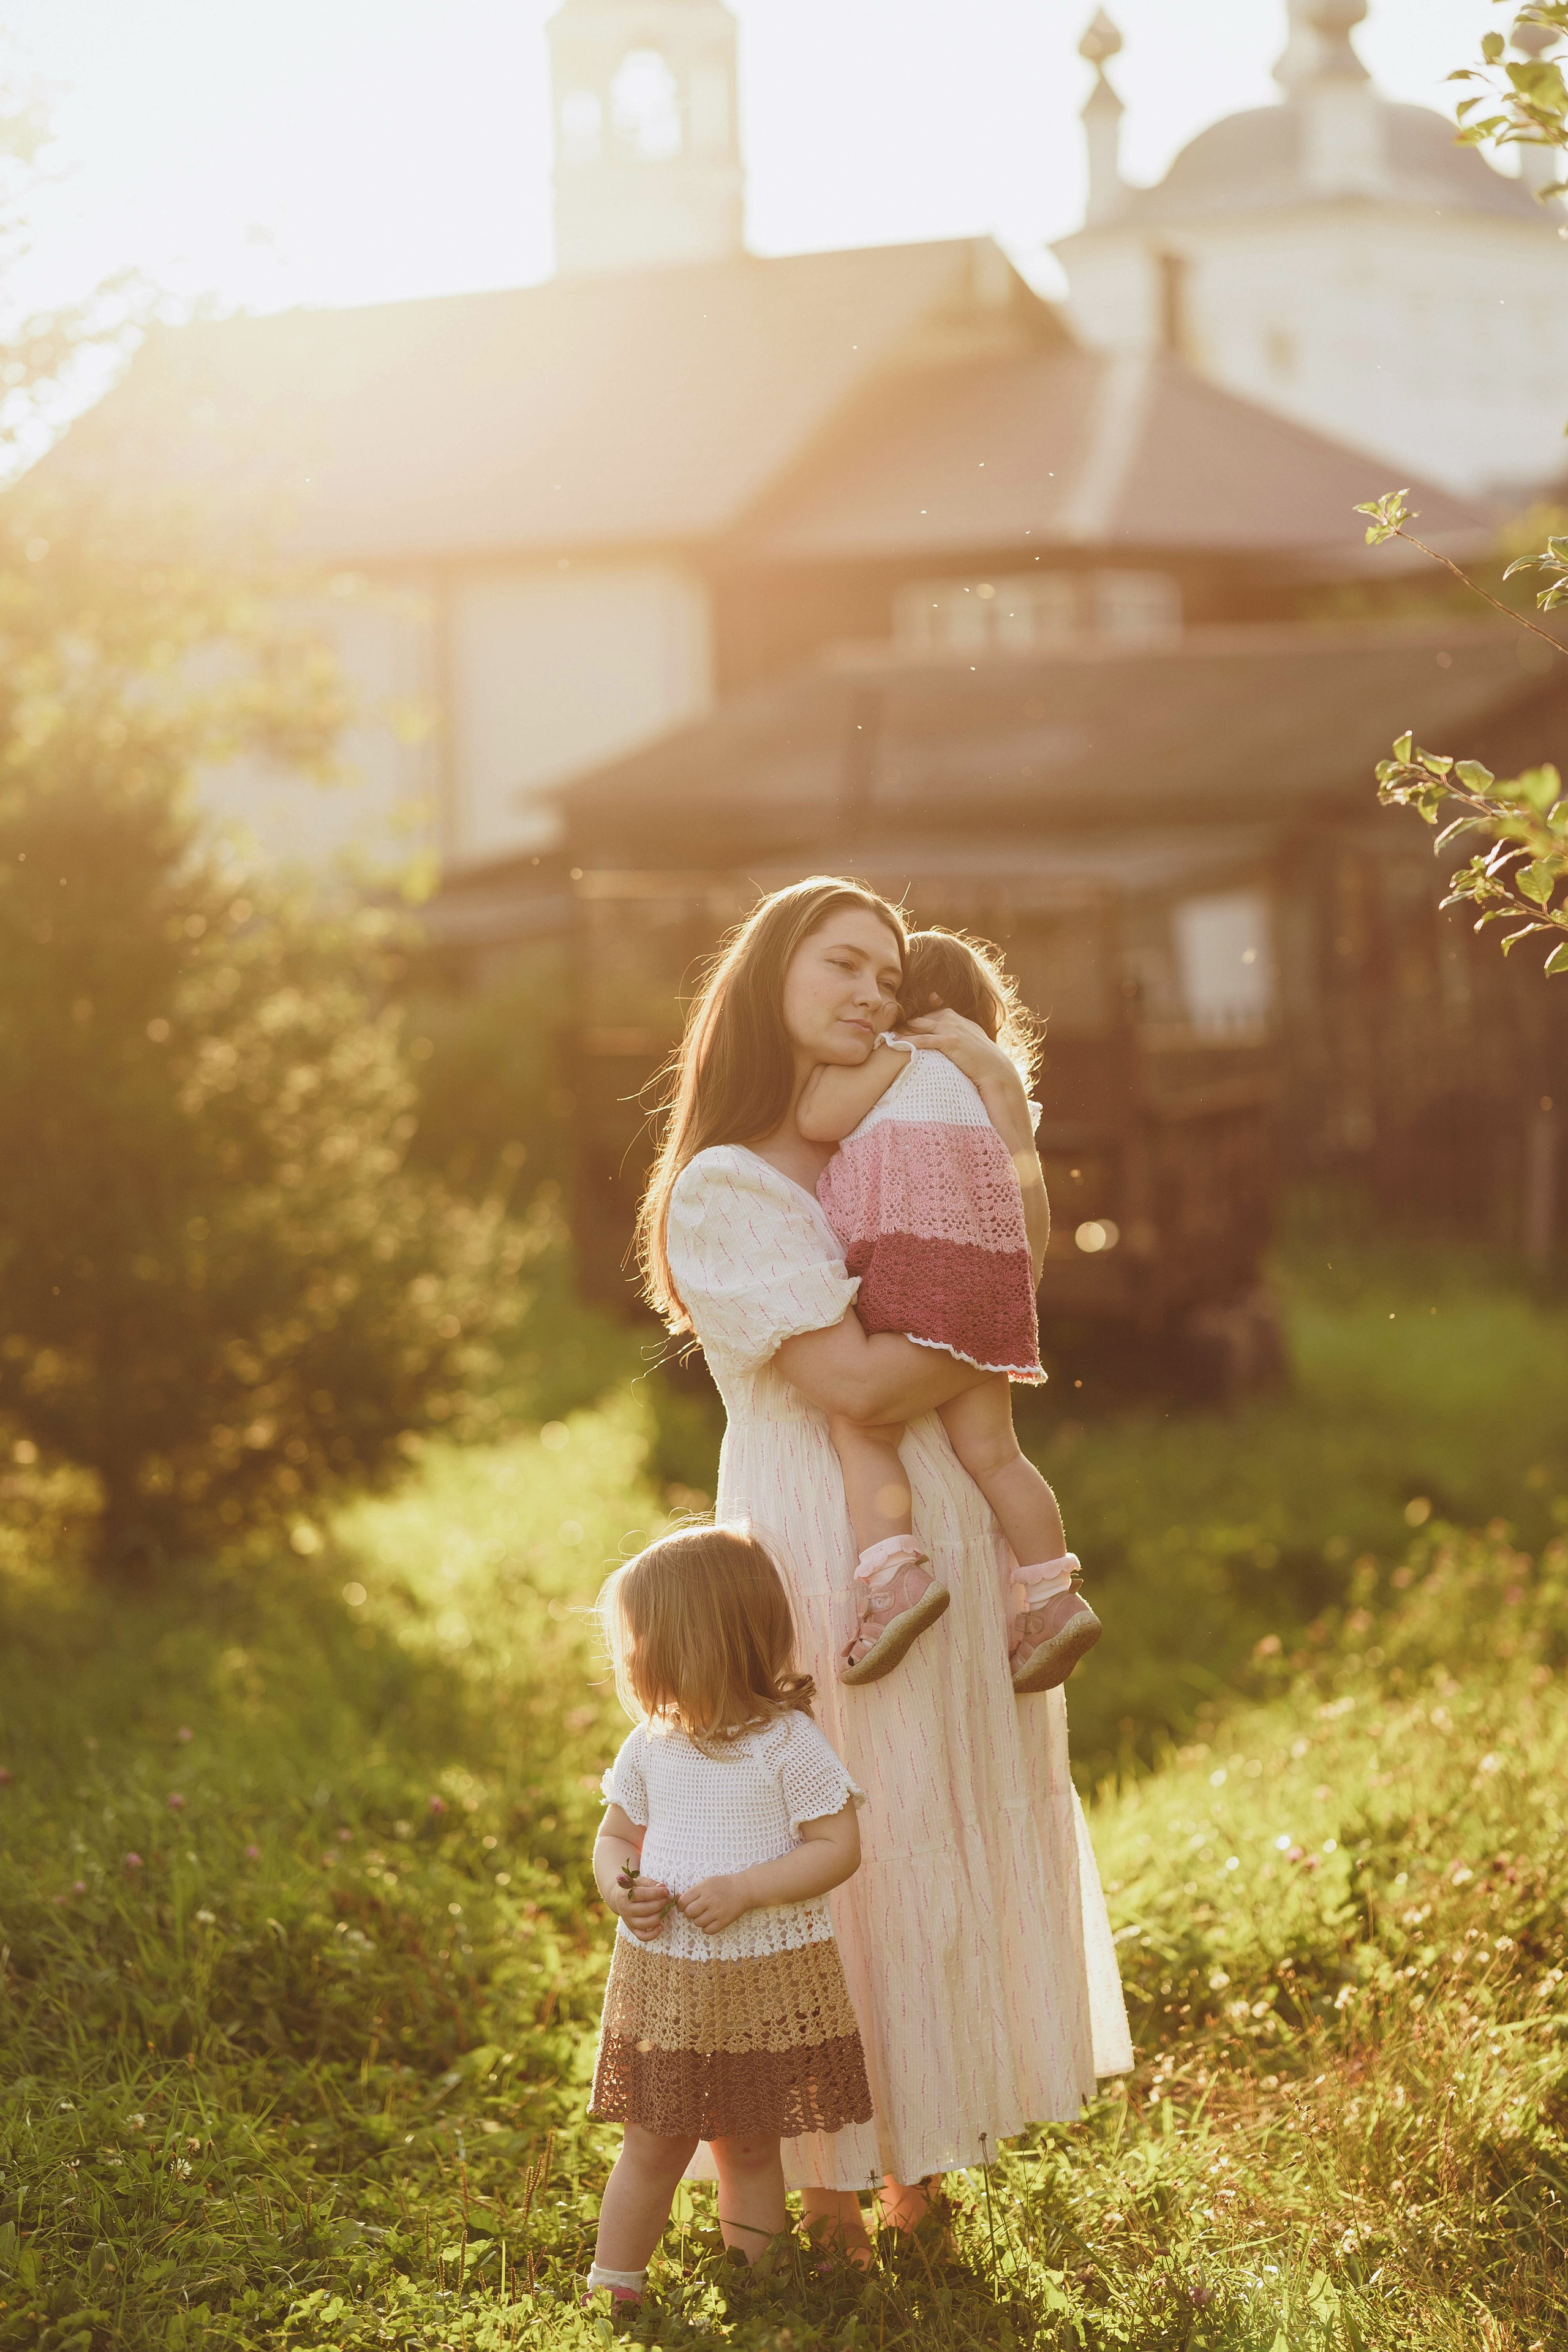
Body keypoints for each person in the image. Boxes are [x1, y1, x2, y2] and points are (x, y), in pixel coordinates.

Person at [635, 875, 1131, 2260]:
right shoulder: (725, 1185)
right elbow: (850, 1368)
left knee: (937, 1816)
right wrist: (984, 1322)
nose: (867, 990)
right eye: (839, 963)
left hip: (942, 1527)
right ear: (766, 980)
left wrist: (1002, 1140)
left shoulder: (892, 1127)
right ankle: (828, 2179)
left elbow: (1007, 1245)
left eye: (884, 971)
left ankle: (923, 2150)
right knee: (838, 1843)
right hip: (812, 1543)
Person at [802, 925, 1101, 1694]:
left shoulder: (888, 1063)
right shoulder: (987, 1084)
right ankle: (1053, 1595)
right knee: (997, 1455)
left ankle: (894, 1575)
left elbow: (814, 1121)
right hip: (989, 1288)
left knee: (863, 1425)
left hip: (911, 1273)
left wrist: (886, 1052)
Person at [585, 1523, 872, 2309]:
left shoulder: (786, 1744)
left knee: (750, 2144)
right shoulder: (651, 1745)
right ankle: (614, 2285)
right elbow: (615, 1836)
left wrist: (749, 1889)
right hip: (670, 1976)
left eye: (641, 1637)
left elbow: (835, 1847)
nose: (630, 1656)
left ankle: (758, 2297)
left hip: (764, 1978)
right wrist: (621, 1886)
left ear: (700, 1641)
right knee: (652, 2136)